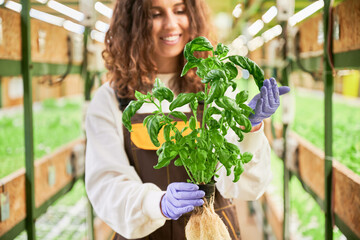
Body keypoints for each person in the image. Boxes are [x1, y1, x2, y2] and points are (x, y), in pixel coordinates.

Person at [85, 0, 290, 239]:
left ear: (193, 17)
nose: (171, 24)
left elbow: (248, 188)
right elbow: (106, 184)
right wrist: (158, 203)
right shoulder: (110, 99)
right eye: (155, 13)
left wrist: (249, 128)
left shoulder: (216, 89)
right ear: (133, 24)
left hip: (213, 231)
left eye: (180, 10)